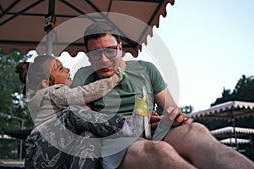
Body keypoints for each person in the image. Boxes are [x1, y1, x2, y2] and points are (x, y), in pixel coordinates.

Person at [72, 21, 254, 169]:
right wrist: (126, 121)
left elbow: (171, 108)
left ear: (120, 47)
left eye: (109, 51)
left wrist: (174, 116)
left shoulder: (147, 69)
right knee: (158, 151)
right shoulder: (83, 75)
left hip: (154, 131)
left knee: (196, 131)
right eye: (95, 54)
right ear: (87, 54)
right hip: (115, 141)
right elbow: (84, 116)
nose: (103, 60)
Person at [15, 55, 135, 169]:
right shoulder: (52, 93)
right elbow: (86, 93)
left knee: (88, 136)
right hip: (40, 152)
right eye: (60, 69)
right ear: (46, 83)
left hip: (57, 156)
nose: (67, 69)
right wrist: (117, 76)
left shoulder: (56, 98)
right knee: (72, 113)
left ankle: (127, 124)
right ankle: (124, 126)